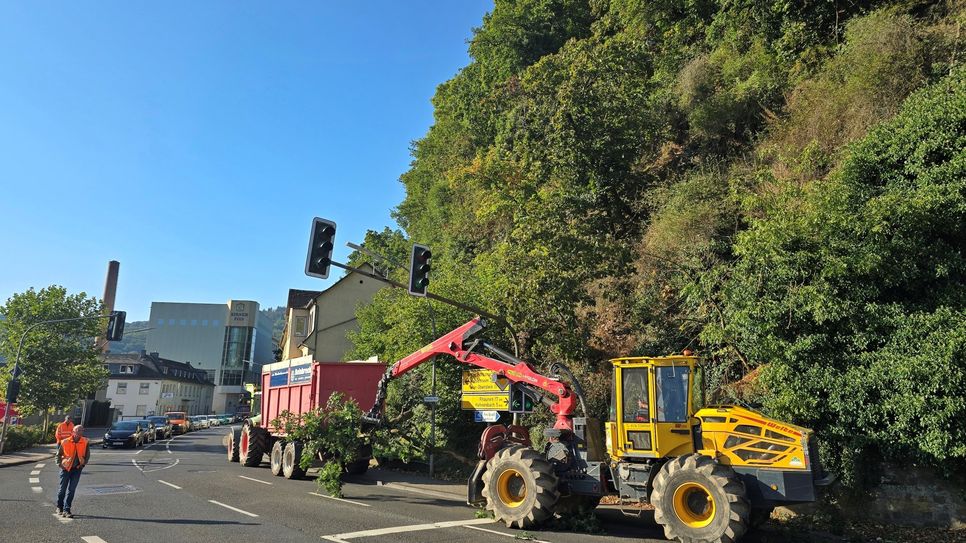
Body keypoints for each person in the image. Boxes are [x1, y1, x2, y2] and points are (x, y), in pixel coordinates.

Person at [55, 424, 89, 518]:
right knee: (62, 490)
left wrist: (83, 464)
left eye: (82, 430)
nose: (80, 432)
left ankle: (67, 509)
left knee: (72, 490)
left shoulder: (85, 442)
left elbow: (87, 454)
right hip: (65, 469)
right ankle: (59, 507)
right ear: (73, 432)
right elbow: (58, 455)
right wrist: (60, 465)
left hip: (77, 469)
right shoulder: (65, 442)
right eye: (78, 430)